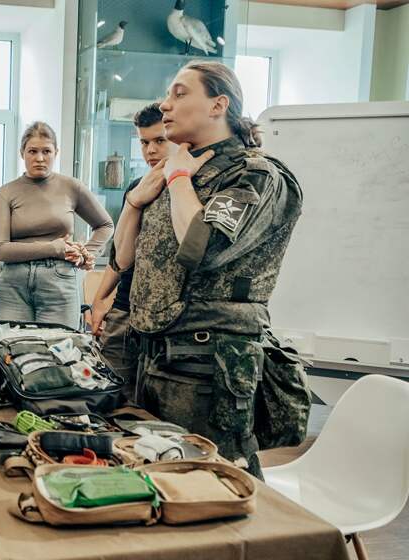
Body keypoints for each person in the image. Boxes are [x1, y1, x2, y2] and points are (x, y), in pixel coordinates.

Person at [112, 61, 303, 478]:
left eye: (180, 93)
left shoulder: (254, 175)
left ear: (219, 105)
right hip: (155, 356)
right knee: (159, 475)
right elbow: (122, 260)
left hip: (208, 366)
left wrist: (180, 177)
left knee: (214, 480)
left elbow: (202, 247)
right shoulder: (168, 173)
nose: (166, 104)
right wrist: (135, 202)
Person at [0, 121, 114, 328]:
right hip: (14, 284)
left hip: (60, 279)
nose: (39, 158)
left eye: (46, 151)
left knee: (60, 346)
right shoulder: (6, 193)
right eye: (32, 151)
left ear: (56, 152)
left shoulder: (71, 187)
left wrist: (85, 255)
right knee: (15, 346)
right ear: (22, 153)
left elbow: (105, 225)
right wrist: (54, 248)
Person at [89, 103, 174, 403]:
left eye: (160, 140)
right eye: (144, 142)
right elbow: (120, 254)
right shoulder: (136, 187)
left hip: (167, 318)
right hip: (125, 310)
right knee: (112, 397)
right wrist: (100, 300)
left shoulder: (190, 187)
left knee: (153, 403)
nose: (151, 150)